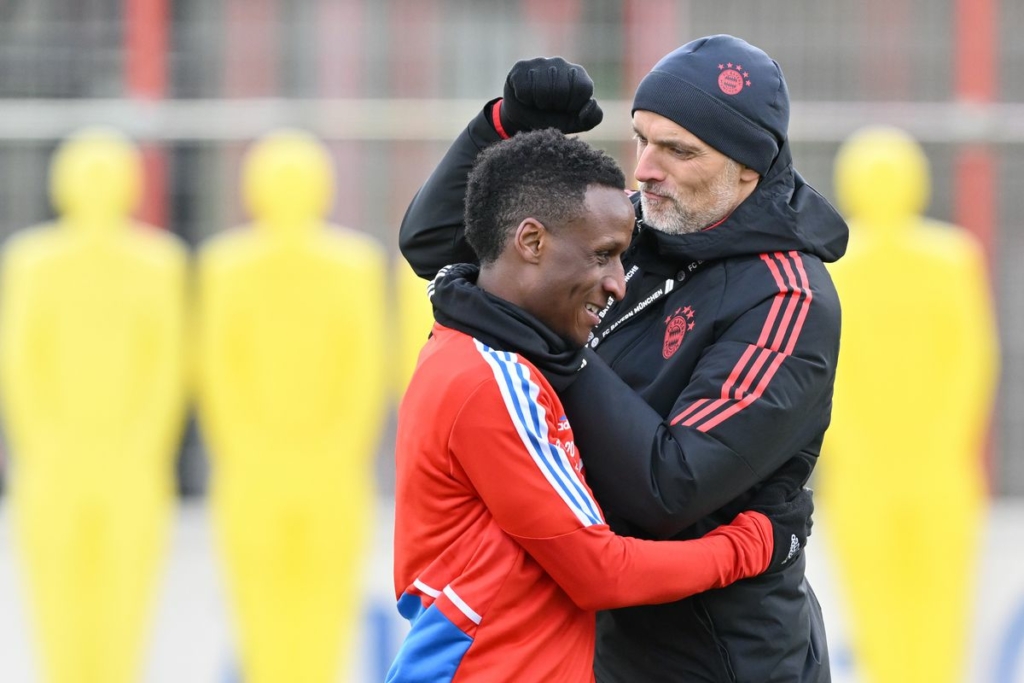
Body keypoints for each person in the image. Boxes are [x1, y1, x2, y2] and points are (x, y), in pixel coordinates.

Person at [399, 35, 846, 682]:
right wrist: (500, 131)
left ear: (749, 166)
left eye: (678, 150)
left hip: (722, 659)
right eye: (642, 138)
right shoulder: (639, 228)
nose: (645, 168)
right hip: (602, 646)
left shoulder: (787, 295)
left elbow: (671, 488)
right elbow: (440, 251)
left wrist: (553, 352)